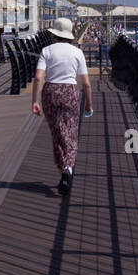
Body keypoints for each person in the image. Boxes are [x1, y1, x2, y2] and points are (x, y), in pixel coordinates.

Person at [31, 17, 92, 195]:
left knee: (57, 133)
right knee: (71, 133)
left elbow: (38, 77)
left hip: (51, 91)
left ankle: (62, 169)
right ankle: (68, 168)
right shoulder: (77, 52)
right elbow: (86, 83)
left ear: (54, 34)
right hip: (71, 92)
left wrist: (35, 100)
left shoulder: (46, 51)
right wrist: (88, 103)